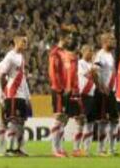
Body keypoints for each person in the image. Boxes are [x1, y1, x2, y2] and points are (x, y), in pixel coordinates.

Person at [0, 33, 30, 157]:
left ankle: (17, 149)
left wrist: (27, 96)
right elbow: (1, 75)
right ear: (16, 42)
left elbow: (23, 78)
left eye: (26, 42)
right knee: (13, 121)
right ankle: (8, 149)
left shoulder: (21, 57)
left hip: (21, 95)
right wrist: (2, 95)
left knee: (21, 122)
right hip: (12, 93)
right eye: (23, 41)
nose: (25, 44)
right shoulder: (10, 56)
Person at [48, 28, 73, 158]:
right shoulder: (55, 53)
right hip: (59, 90)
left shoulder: (65, 53)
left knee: (63, 120)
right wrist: (59, 88)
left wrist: (69, 88)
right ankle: (54, 149)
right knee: (58, 119)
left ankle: (60, 148)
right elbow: (53, 72)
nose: (71, 40)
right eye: (68, 38)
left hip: (66, 90)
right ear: (62, 38)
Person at [93, 32, 118, 156]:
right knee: (103, 121)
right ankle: (101, 149)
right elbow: (94, 71)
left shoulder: (110, 55)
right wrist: (101, 87)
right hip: (104, 92)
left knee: (114, 120)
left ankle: (112, 149)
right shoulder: (100, 55)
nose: (114, 41)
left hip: (112, 91)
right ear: (104, 41)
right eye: (111, 39)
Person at [77, 45, 97, 156]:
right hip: (83, 94)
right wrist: (94, 66)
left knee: (90, 122)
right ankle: (77, 148)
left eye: (92, 51)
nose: (91, 53)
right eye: (89, 50)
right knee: (81, 121)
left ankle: (86, 149)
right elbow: (89, 74)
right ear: (83, 51)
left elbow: (96, 76)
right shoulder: (80, 63)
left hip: (92, 95)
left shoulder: (91, 65)